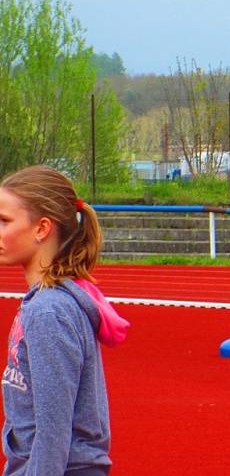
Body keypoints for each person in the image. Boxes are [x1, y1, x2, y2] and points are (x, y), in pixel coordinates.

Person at [0, 165, 130, 475]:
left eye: (5, 221)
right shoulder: (46, 302)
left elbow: (53, 431)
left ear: (42, 228)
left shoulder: (50, 311)